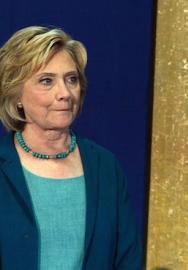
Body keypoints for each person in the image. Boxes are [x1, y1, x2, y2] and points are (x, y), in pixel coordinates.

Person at [0, 26, 142, 269]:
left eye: (71, 79)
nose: (65, 93)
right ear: (16, 96)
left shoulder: (105, 167)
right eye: (47, 81)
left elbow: (128, 261)